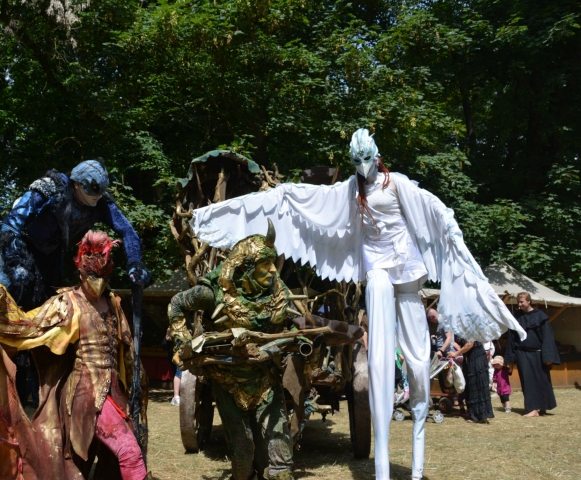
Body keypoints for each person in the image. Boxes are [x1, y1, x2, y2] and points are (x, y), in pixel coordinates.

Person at [190, 128, 526, 480]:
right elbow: (298, 199)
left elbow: (436, 211)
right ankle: (381, 469)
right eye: (357, 161)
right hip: (378, 272)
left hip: (407, 276)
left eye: (367, 159)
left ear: (377, 156)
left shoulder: (398, 184)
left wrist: (453, 234)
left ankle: (417, 464)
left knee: (418, 365)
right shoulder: (350, 190)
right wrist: (219, 216)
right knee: (378, 358)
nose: (363, 167)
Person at [0, 230, 148, 479]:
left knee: (92, 466)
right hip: (87, 397)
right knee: (129, 454)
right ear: (81, 271)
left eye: (104, 275)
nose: (98, 282)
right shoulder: (67, 303)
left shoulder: (114, 303)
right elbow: (23, 326)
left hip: (116, 394)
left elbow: (126, 350)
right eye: (92, 274)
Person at [168, 222, 297, 480]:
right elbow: (177, 305)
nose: (273, 270)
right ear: (245, 268)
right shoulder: (213, 293)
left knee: (282, 458)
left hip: (266, 380)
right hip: (227, 382)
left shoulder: (279, 295)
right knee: (242, 452)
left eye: (273, 263)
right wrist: (183, 344)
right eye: (265, 264)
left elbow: (289, 335)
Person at [0, 159, 150, 311]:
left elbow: (127, 230)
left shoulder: (100, 203)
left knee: (46, 305)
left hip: (51, 255)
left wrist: (135, 262)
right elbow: (11, 223)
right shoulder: (50, 188)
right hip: (20, 246)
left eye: (102, 190)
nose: (99, 195)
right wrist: (14, 262)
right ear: (77, 184)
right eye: (94, 189)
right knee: (5, 291)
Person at [504, 292, 560, 417]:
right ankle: (533, 408)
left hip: (538, 354)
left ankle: (543, 407)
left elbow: (548, 338)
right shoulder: (516, 317)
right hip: (522, 354)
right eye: (518, 302)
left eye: (522, 302)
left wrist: (548, 357)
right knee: (528, 382)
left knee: (543, 381)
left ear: (529, 301)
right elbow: (512, 339)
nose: (519, 304)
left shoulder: (540, 316)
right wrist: (510, 359)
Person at [449, 338, 494, 423]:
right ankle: (475, 414)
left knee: (476, 385)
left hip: (476, 359)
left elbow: (470, 344)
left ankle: (480, 415)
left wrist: (456, 353)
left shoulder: (470, 326)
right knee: (471, 385)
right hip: (470, 357)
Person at [162, 326, 182, 406]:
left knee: (178, 373)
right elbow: (165, 343)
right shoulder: (172, 326)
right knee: (178, 373)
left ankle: (178, 395)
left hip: (180, 352)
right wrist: (168, 336)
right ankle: (176, 396)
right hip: (175, 354)